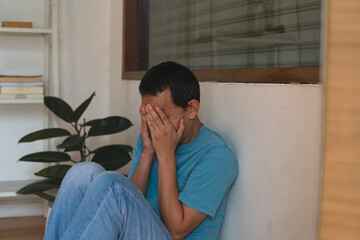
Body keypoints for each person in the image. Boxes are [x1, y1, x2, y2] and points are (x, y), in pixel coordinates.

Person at [44, 61, 238, 240]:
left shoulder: (216, 156)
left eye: (162, 116)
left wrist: (166, 155)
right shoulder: (151, 138)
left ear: (192, 108)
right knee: (83, 172)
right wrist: (147, 153)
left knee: (112, 184)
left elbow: (176, 230)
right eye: (149, 115)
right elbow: (130, 198)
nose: (155, 125)